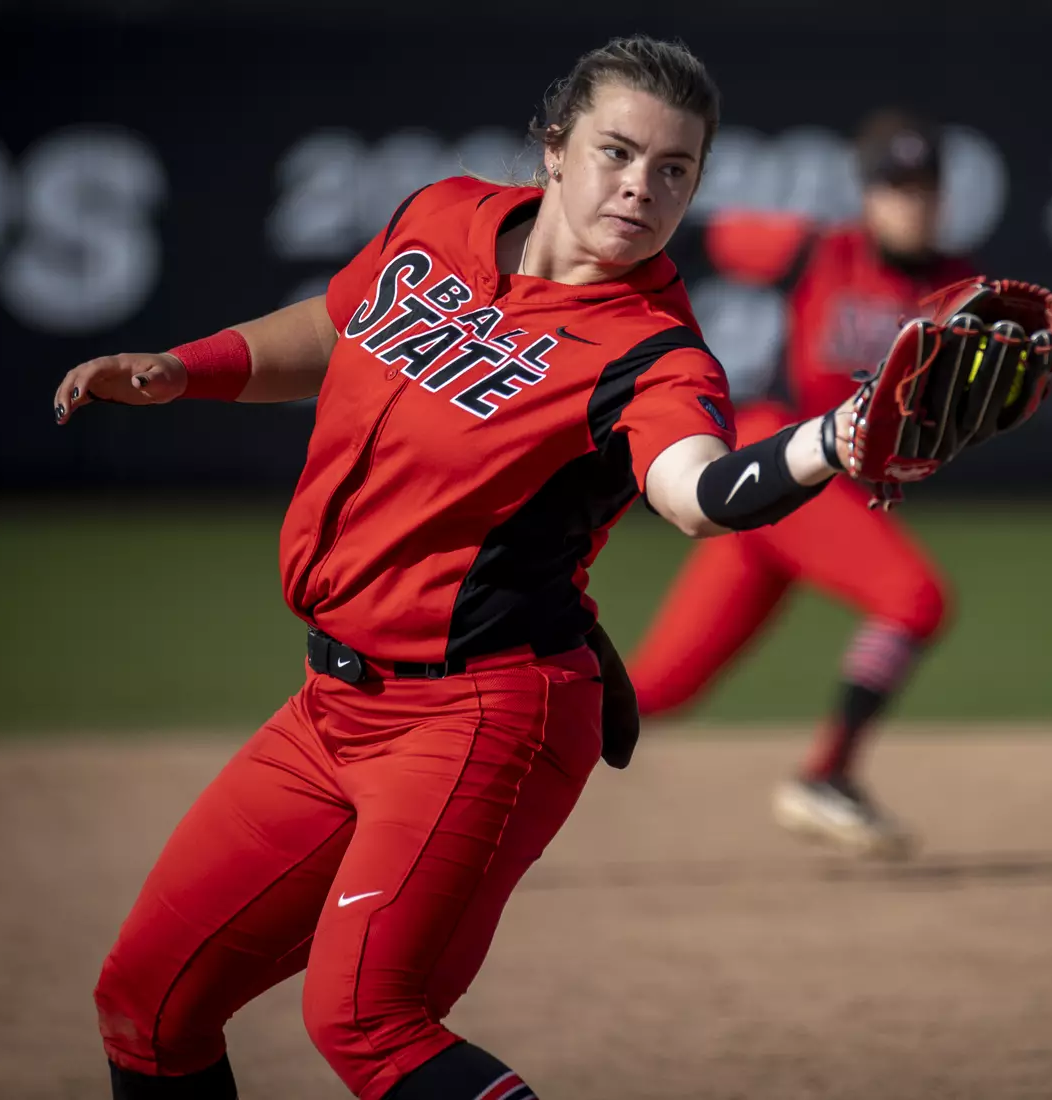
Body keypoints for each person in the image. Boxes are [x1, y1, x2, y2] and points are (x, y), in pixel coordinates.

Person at [51, 36, 888, 1100]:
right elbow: (340, 324)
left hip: (485, 711)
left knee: (366, 1020)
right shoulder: (443, 215)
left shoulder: (653, 352)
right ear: (552, 147)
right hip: (330, 705)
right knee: (148, 1002)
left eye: (674, 168)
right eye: (617, 151)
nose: (642, 185)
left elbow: (701, 493)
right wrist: (185, 370)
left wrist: (837, 436)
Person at [626, 108, 1052, 858]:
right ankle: (826, 776)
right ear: (868, 193)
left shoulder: (961, 295)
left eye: (921, 187)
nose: (908, 202)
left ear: (943, 196)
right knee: (915, 598)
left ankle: (478, 722)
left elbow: (1005, 389)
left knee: (656, 694)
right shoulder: (816, 250)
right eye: (894, 186)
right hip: (773, 454)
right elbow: (689, 237)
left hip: (818, 495)